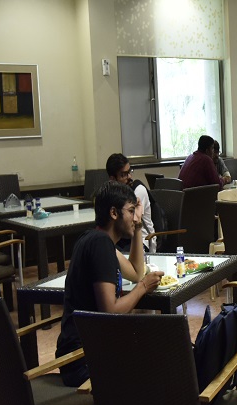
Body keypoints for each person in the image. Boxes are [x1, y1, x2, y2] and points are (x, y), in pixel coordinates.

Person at [55, 181, 164, 387]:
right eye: (131, 211)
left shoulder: (94, 239)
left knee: (159, 346)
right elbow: (110, 310)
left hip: (86, 352)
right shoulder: (100, 244)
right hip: (84, 359)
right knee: (164, 358)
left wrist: (138, 226)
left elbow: (135, 271)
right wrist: (143, 287)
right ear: (114, 213)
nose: (134, 217)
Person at [106, 152, 156, 253]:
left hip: (142, 239)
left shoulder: (138, 191)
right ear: (112, 179)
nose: (129, 176)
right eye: (123, 174)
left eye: (129, 171)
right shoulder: (113, 192)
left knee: (112, 252)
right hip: (123, 238)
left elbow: (129, 222)